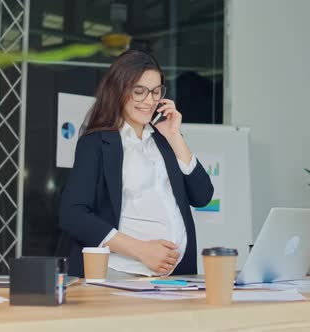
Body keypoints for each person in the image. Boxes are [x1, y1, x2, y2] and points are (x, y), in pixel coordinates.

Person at [59, 50, 214, 278]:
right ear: (119, 91)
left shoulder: (165, 140)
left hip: (176, 278)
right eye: (139, 92)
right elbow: (72, 214)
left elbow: (203, 196)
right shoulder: (97, 142)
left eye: (156, 91)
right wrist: (142, 251)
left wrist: (175, 137)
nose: (149, 101)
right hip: (121, 273)